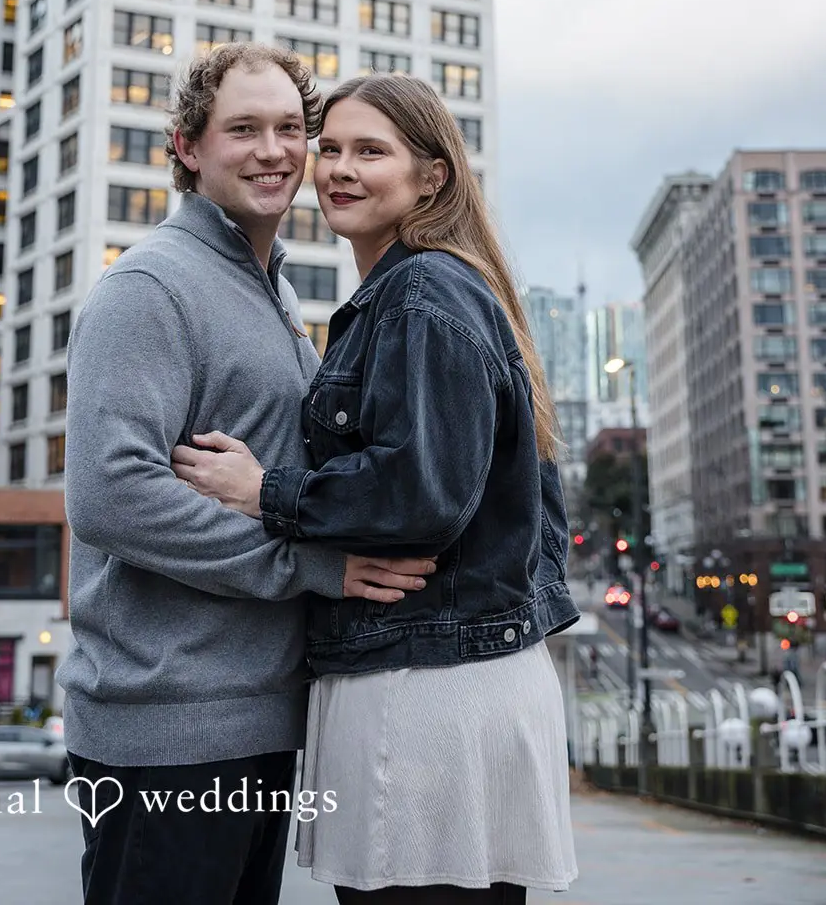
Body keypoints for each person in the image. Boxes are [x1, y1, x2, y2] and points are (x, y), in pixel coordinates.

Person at [174, 73, 580, 903]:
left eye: (371, 151)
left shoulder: (421, 294)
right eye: (329, 149)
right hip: (455, 672)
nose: (337, 169)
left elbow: (419, 495)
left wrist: (266, 491)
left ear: (431, 176)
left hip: (426, 682)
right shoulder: (432, 291)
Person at [59, 44, 433, 905]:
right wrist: (309, 566)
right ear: (189, 147)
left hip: (256, 718)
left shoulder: (270, 293)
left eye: (289, 129)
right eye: (242, 130)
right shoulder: (151, 286)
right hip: (166, 730)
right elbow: (111, 497)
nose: (274, 150)